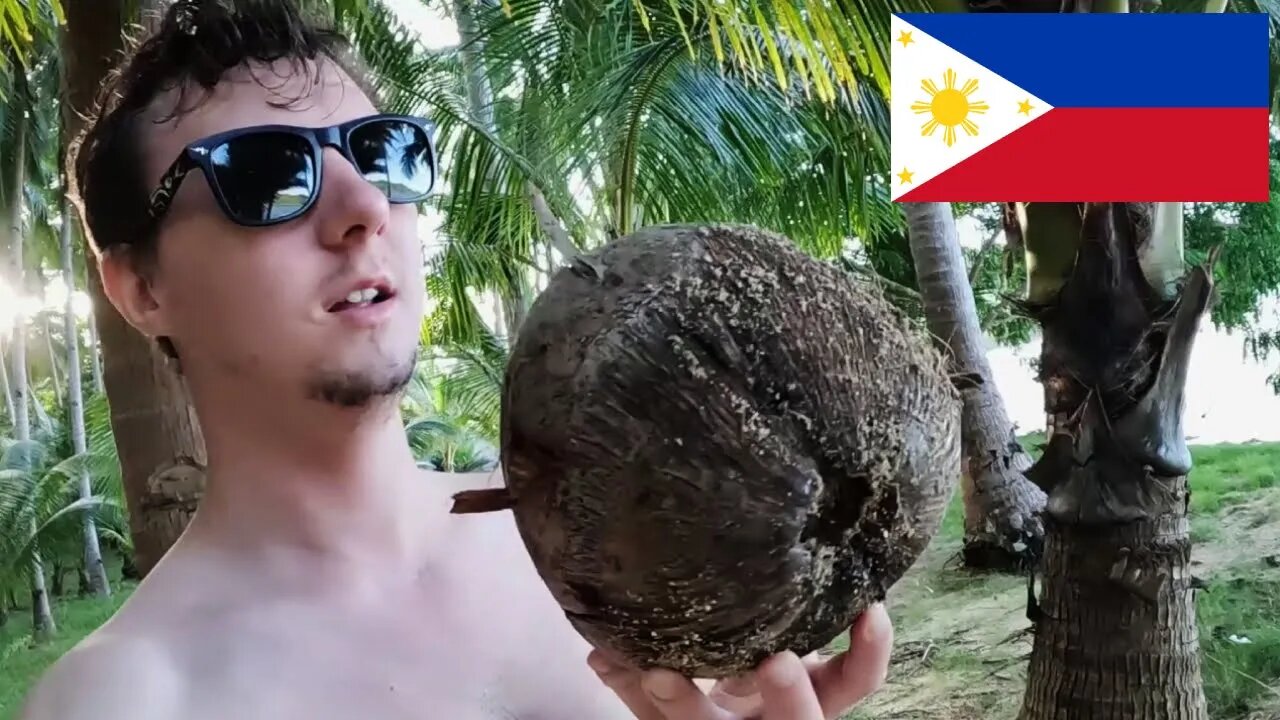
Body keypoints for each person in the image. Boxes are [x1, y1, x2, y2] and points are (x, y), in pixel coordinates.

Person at [20, 1, 894, 718]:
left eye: (383, 152)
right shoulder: (125, 700)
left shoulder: (617, 554)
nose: (364, 206)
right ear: (139, 289)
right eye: (267, 176)